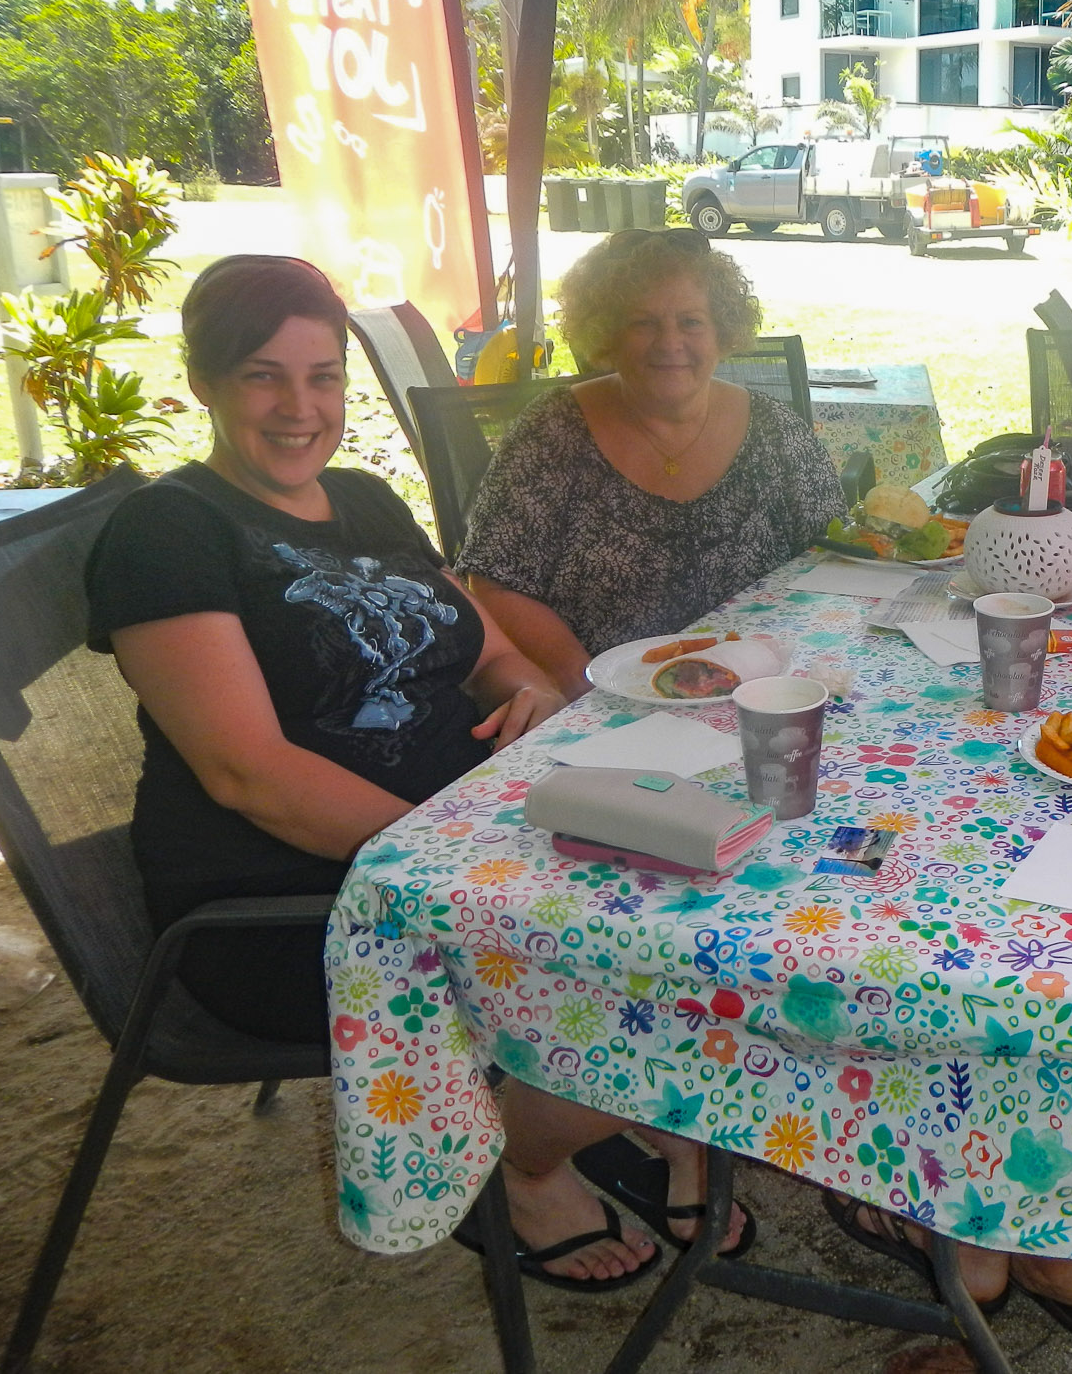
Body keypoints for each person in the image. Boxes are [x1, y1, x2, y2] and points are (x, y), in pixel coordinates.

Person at [86, 256, 744, 1290]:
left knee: (719, 891)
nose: (300, 408)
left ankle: (607, 1107)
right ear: (204, 382)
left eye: (323, 377)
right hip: (303, 903)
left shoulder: (360, 499)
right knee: (645, 970)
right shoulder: (168, 532)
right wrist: (458, 862)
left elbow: (491, 652)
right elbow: (248, 773)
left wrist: (530, 695)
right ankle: (524, 1162)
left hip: (463, 837)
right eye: (263, 377)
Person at [459, 229, 844, 698]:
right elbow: (495, 583)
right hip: (606, 697)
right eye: (643, 323)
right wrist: (582, 684)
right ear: (607, 335)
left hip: (761, 691)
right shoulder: (552, 431)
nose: (669, 342)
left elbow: (833, 557)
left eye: (692, 322)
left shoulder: (774, 430)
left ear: (722, 333)